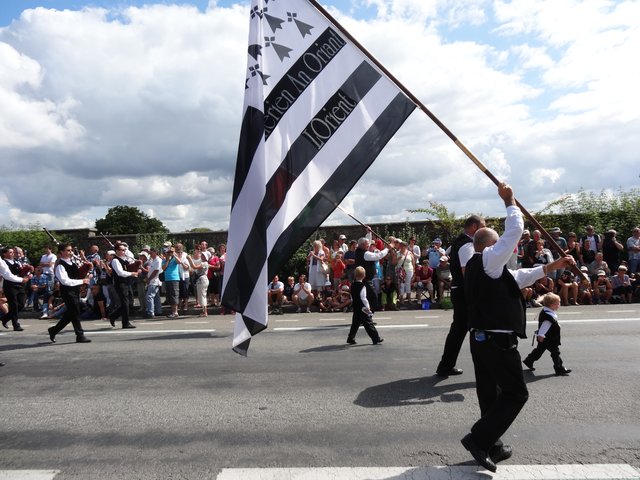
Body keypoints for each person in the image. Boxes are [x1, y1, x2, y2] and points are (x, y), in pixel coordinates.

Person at [461, 182, 575, 473]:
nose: (505, 249)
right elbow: (513, 234)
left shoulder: (484, 267)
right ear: (489, 245)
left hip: (481, 340)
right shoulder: (488, 258)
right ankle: (479, 439)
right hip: (498, 342)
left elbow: (518, 276)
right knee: (515, 394)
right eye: (498, 245)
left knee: (491, 394)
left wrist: (552, 266)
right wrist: (510, 201)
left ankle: (492, 443)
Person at [435, 214, 485, 377]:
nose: (485, 228)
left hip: (460, 290)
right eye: (483, 225)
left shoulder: (458, 241)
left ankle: (446, 365)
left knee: (459, 330)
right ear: (474, 227)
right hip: (465, 293)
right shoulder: (467, 245)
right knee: (474, 329)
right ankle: (484, 368)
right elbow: (467, 272)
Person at [47, 243, 92, 343]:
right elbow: (65, 281)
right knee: (75, 313)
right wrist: (82, 281)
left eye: (71, 250)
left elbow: (79, 273)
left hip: (75, 290)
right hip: (67, 292)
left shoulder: (73, 263)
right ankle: (80, 336)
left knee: (73, 313)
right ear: (61, 252)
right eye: (68, 250)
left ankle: (54, 330)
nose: (71, 252)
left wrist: (87, 272)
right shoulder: (60, 266)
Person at [522, 292, 572, 376]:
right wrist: (541, 335)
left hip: (547, 337)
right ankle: (559, 368)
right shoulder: (548, 315)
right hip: (548, 338)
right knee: (555, 352)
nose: (559, 304)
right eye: (558, 303)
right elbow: (544, 326)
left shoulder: (547, 310)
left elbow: (546, 296)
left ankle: (529, 360)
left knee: (539, 351)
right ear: (552, 305)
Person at [346, 266, 383, 345]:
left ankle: (351, 337)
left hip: (356, 306)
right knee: (368, 323)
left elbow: (352, 296)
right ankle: (375, 338)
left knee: (355, 323)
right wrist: (368, 307)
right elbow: (363, 298)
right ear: (364, 275)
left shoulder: (352, 285)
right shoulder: (363, 286)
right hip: (362, 307)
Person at [354, 231, 389, 312]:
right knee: (373, 297)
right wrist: (387, 248)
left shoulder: (359, 250)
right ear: (362, 245)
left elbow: (367, 242)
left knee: (367, 298)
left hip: (364, 280)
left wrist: (368, 232)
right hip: (365, 280)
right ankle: (369, 315)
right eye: (367, 244)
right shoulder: (365, 254)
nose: (368, 245)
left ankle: (366, 315)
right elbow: (378, 256)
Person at [1, 247, 32, 331]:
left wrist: (29, 273)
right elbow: (7, 275)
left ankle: (5, 318)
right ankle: (16, 325)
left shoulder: (17, 261)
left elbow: (23, 271)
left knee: (21, 304)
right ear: (5, 254)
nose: (13, 254)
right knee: (13, 305)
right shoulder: (3, 263)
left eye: (13, 252)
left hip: (19, 285)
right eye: (10, 252)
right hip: (10, 286)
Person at [108, 244, 139, 328]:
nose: (124, 251)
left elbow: (130, 266)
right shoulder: (115, 261)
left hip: (127, 283)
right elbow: (120, 273)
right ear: (117, 251)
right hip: (120, 283)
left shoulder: (124, 260)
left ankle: (113, 315)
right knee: (125, 303)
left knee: (128, 303)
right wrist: (132, 273)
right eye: (122, 250)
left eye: (124, 250)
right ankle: (125, 323)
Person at [145, 248, 163, 318]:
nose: (150, 254)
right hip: (154, 281)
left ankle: (150, 312)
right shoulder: (154, 260)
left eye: (151, 253)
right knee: (156, 297)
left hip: (154, 281)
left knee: (149, 296)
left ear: (155, 252)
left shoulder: (158, 260)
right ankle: (158, 311)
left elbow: (156, 271)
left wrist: (149, 279)